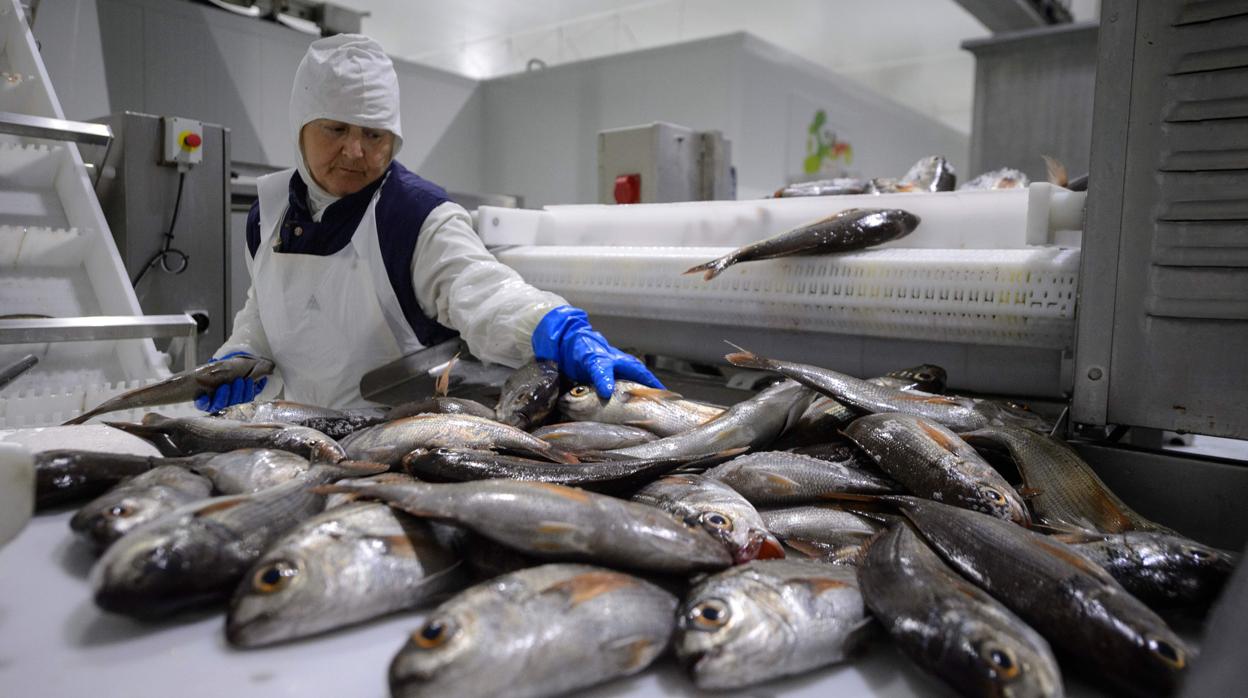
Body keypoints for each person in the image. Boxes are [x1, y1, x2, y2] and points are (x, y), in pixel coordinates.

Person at [198, 34, 661, 412]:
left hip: (395, 444)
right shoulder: (269, 213)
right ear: (301, 128)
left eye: (373, 134)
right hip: (291, 434)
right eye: (336, 129)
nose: (355, 151)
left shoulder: (415, 215)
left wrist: (554, 328)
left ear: (394, 140)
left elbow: (481, 290)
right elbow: (263, 312)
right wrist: (241, 355)